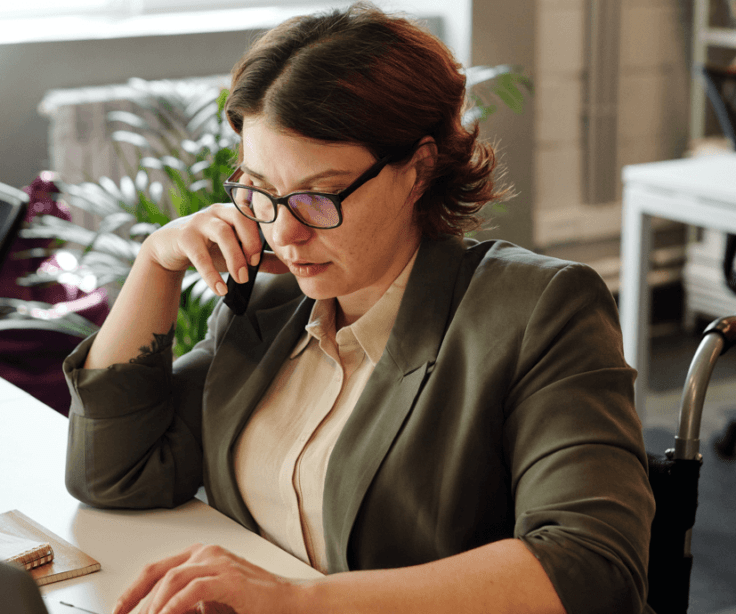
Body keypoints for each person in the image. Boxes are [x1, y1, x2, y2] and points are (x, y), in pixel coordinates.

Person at [62, 3, 655, 614]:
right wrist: (154, 266)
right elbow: (116, 473)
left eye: (318, 197)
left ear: (419, 169)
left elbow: (593, 568)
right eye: (261, 192)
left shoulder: (537, 309)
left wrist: (299, 601)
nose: (286, 235)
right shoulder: (272, 298)